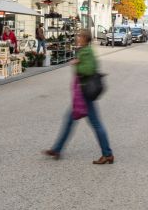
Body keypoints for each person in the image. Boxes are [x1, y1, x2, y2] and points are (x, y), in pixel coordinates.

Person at [44, 29, 114, 164]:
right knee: (70, 120)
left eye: (79, 37)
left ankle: (107, 154)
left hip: (85, 94)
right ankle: (57, 149)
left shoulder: (86, 52)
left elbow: (89, 69)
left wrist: (76, 65)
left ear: (84, 38)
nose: (77, 38)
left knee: (96, 124)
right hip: (82, 94)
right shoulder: (85, 50)